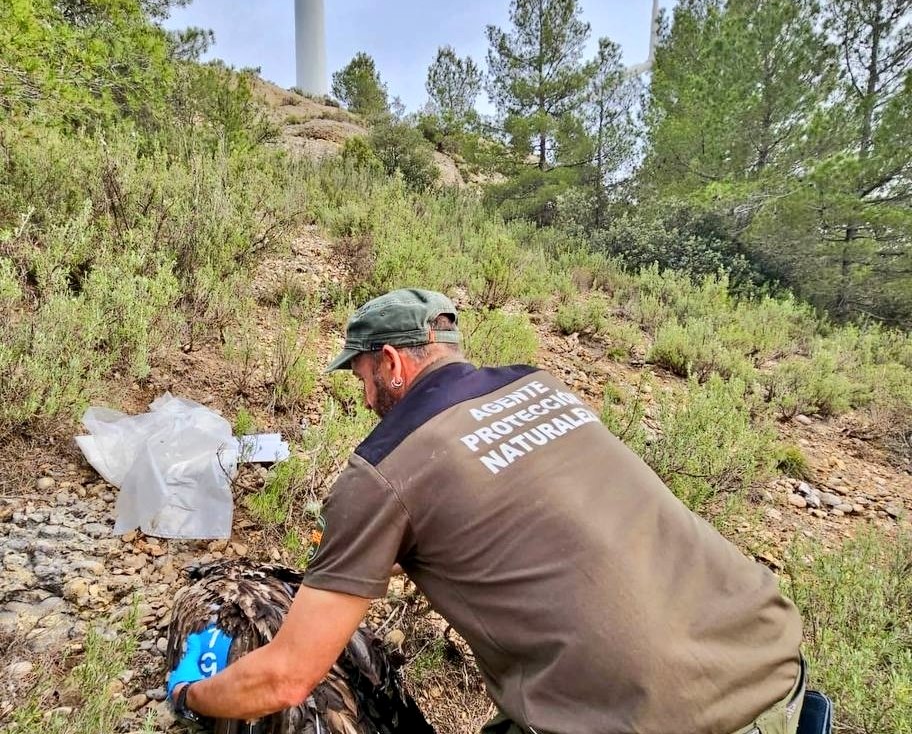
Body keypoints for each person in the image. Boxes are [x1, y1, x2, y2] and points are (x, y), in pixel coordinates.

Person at [167, 288, 805, 734]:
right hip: (774, 666)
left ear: (390, 363)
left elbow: (285, 680)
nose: (363, 397)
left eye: (361, 375)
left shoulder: (383, 471)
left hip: (657, 720)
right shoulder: (542, 387)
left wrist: (192, 694)